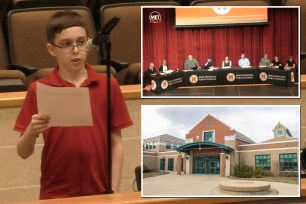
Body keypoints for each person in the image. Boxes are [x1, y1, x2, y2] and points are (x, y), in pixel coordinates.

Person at [14, 11, 133, 199]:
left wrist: (114, 190)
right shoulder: (39, 89)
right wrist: (31, 130)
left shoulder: (108, 85)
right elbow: (23, 152)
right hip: (55, 193)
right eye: (67, 44)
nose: (76, 50)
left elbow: (116, 142)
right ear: (52, 49)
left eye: (81, 42)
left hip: (101, 190)